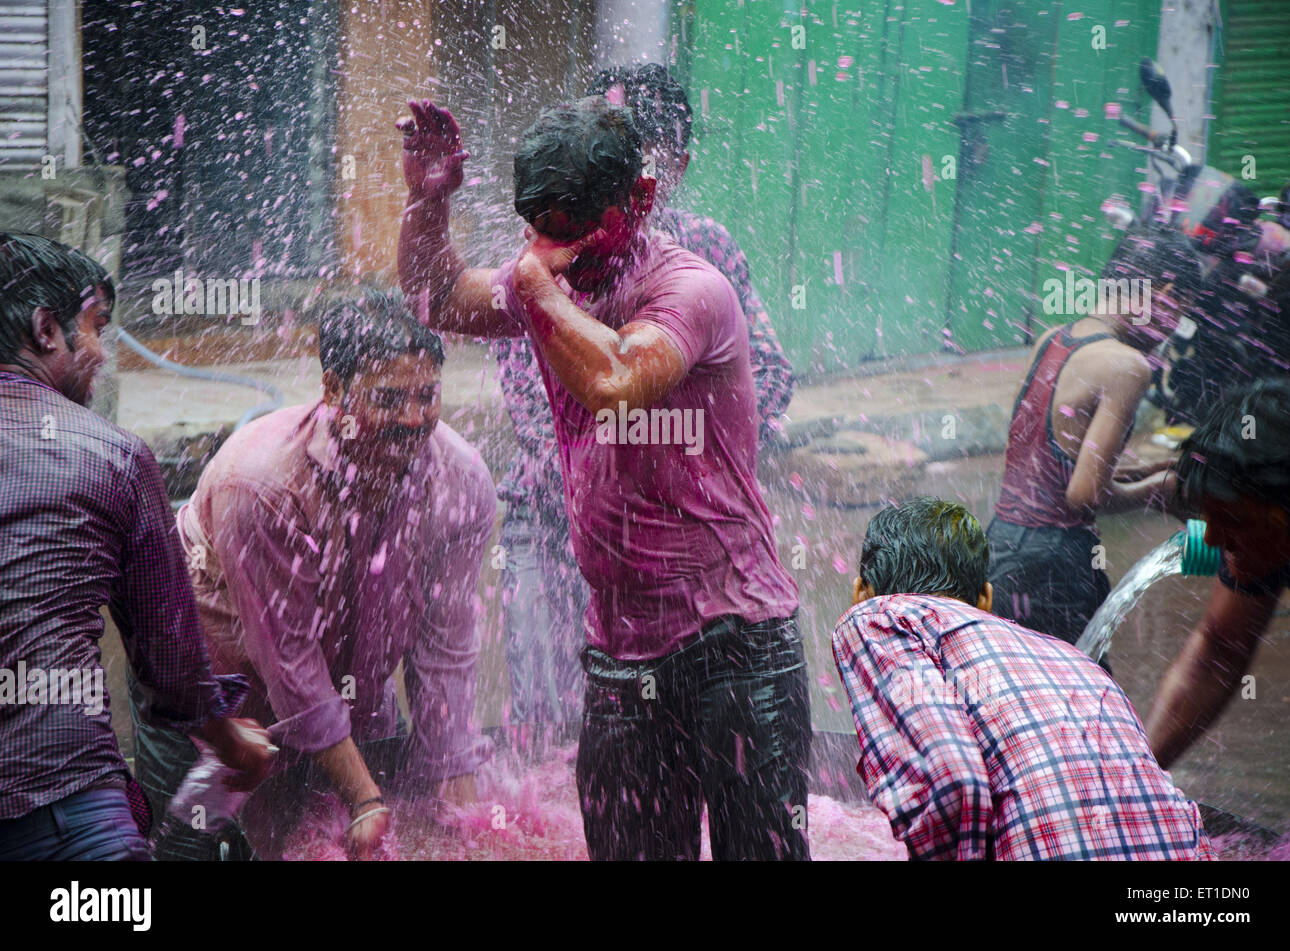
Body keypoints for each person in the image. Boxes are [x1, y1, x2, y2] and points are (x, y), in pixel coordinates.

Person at [396, 95, 808, 860]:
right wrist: (428, 206)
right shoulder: (548, 275)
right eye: (538, 223)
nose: (555, 246)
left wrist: (535, 281)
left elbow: (616, 381)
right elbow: (434, 299)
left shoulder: (691, 290)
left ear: (640, 199)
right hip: (621, 648)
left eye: (574, 223)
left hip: (735, 643)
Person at [132, 288, 496, 861]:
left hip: (354, 691)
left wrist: (450, 769)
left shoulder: (461, 480)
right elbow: (291, 662)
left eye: (427, 396)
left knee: (358, 843)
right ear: (333, 392)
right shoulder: (261, 486)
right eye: (389, 399)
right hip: (221, 702)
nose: (413, 419)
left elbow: (446, 644)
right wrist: (366, 798)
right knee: (189, 853)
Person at [489, 63, 794, 743]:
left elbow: (768, 374)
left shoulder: (700, 257)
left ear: (663, 172)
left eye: (634, 142)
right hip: (552, 516)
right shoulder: (547, 250)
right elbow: (527, 386)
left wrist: (688, 442)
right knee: (546, 732)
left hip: (685, 547)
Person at [0, 232, 273, 861]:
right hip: (63, 805)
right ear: (47, 329)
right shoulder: (109, 457)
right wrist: (232, 745)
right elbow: (171, 670)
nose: (102, 352)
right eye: (95, 327)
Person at [832, 497, 1216, 860]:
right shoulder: (1072, 659)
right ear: (985, 598)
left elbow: (954, 781)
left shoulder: (876, 617)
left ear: (861, 592)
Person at [986, 225, 1203, 659]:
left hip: (999, 547)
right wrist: (1158, 491)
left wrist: (1142, 472)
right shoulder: (1126, 365)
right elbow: (1084, 493)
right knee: (1085, 708)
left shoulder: (1053, 339)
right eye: (1181, 309)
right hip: (1054, 565)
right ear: (1164, 294)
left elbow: (1046, 467)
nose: (1172, 327)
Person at [1147, 377, 1290, 766]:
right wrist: (1137, 779)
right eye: (1208, 518)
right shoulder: (1263, 537)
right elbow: (1220, 648)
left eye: (1231, 519)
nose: (1213, 539)